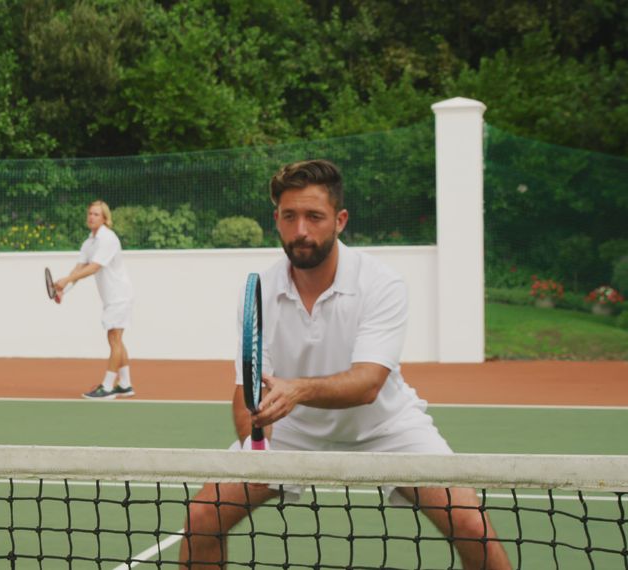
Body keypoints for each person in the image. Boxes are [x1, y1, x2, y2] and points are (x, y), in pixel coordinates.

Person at [179, 160, 510, 569]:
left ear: (340, 220)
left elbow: (368, 383)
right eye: (289, 216)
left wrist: (296, 390)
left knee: (472, 526)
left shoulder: (380, 283)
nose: (301, 230)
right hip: (291, 430)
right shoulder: (261, 289)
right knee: (202, 517)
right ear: (276, 220)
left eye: (314, 217)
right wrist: (256, 450)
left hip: (386, 427)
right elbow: (245, 389)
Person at [54, 200, 135, 400]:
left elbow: (94, 267)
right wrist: (65, 288)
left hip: (120, 296)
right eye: (90, 213)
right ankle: (125, 385)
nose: (92, 217)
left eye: (96, 214)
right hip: (111, 298)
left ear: (105, 218)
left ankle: (107, 387)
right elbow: (79, 268)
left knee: (114, 339)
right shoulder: (89, 242)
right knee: (116, 338)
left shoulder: (108, 239)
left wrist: (67, 280)